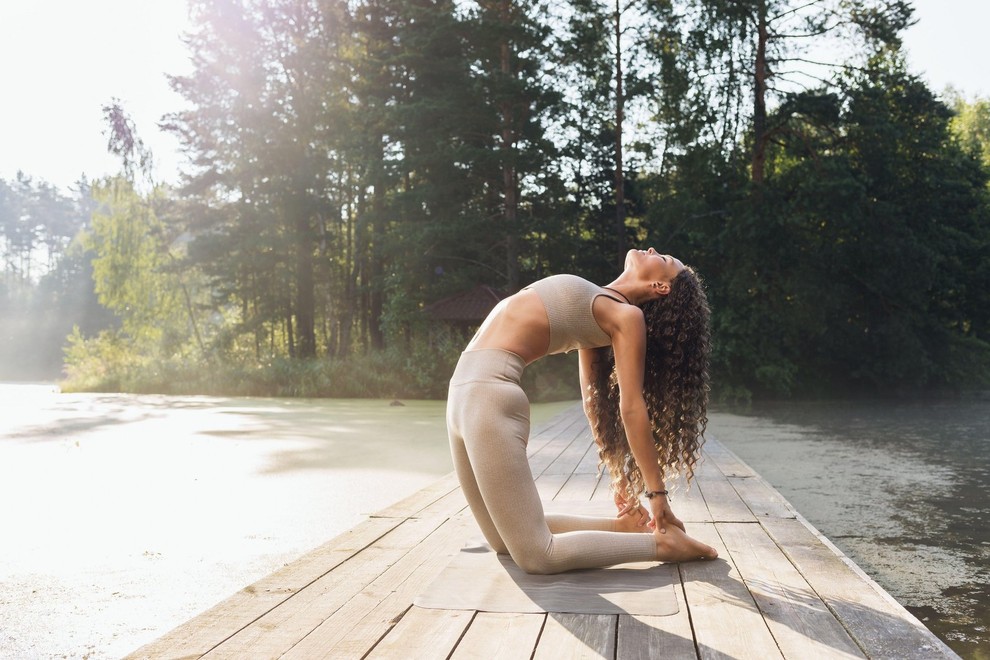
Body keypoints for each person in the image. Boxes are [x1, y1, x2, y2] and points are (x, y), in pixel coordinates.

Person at [446, 247, 718, 574]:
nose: (652, 250)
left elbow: (631, 406)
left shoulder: (627, 317)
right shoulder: (599, 301)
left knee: (537, 556)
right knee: (501, 540)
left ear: (661, 287)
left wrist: (656, 494)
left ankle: (662, 545)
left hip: (489, 395)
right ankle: (624, 529)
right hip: (461, 395)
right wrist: (618, 472)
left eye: (664, 260)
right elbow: (593, 401)